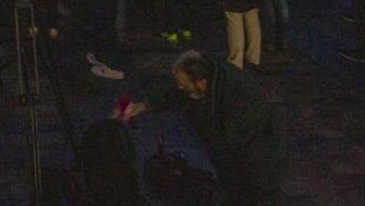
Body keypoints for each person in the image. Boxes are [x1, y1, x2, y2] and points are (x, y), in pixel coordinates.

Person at [119, 50, 286, 205]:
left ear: (202, 83)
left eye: (182, 84)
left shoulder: (238, 98)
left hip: (255, 157)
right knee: (233, 188)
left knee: (254, 194)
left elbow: (235, 143)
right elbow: (173, 93)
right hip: (232, 152)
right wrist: (145, 106)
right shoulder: (202, 79)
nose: (179, 87)